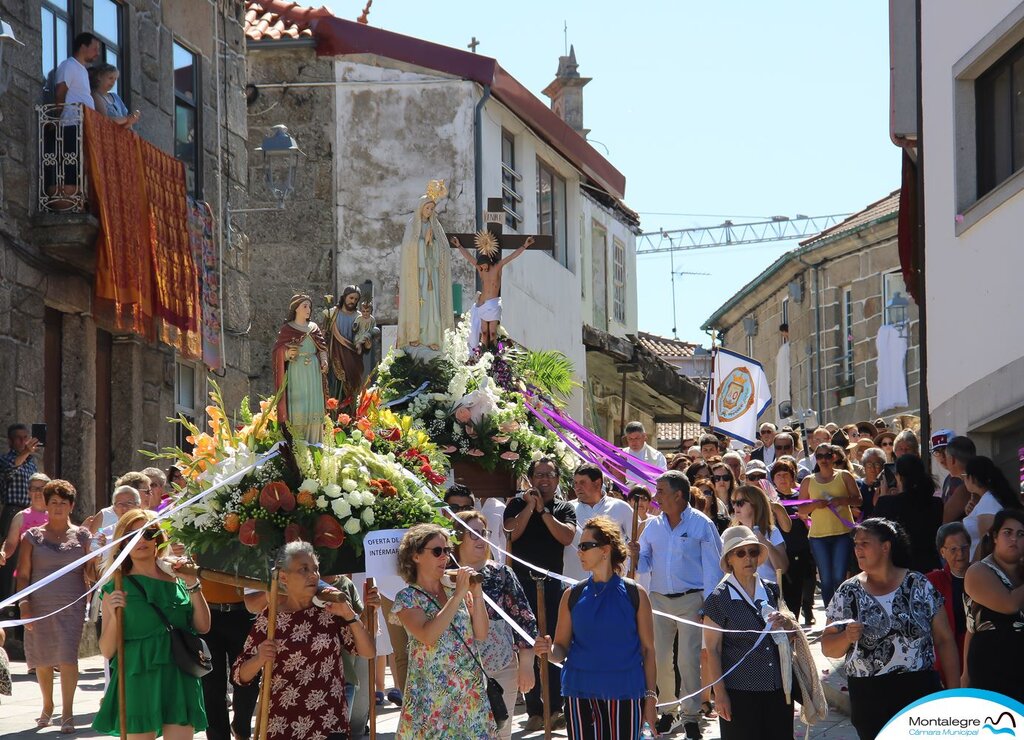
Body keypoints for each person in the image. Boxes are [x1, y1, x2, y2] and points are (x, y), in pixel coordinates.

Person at [821, 518, 959, 740]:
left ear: (885, 547)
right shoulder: (847, 592)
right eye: (855, 544)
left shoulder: (919, 584)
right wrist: (846, 636)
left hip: (918, 688)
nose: (857, 549)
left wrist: (954, 692)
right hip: (869, 695)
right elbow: (828, 648)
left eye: (864, 543)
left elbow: (944, 639)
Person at [233, 541, 375, 740]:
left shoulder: (330, 612)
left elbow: (368, 652)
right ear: (283, 577)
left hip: (329, 722)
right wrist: (259, 658)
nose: (313, 575)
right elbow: (240, 675)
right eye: (304, 569)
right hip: (283, 723)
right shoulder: (270, 618)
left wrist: (350, 615)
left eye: (316, 569)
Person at [534, 516, 658, 738]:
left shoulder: (635, 594)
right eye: (579, 546)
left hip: (625, 692)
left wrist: (650, 698)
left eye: (585, 546)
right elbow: (561, 648)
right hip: (579, 691)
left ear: (605, 550)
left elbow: (648, 651)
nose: (579, 551)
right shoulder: (572, 595)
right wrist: (548, 651)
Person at [94, 509, 209, 737]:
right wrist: (116, 616)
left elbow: (203, 626)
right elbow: (107, 650)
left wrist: (193, 584)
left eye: (148, 533)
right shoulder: (115, 587)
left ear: (159, 538)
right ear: (122, 543)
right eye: (132, 536)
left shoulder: (178, 581)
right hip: (137, 677)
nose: (142, 541)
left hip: (179, 675)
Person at [635, 470, 722, 738]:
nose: (655, 496)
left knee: (688, 659)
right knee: (660, 658)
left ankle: (691, 715)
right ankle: (669, 711)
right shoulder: (652, 526)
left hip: (692, 600)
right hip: (659, 600)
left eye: (661, 491)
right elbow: (643, 565)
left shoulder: (701, 524)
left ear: (678, 495)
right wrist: (635, 554)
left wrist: (709, 606)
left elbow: (714, 568)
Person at [390, 523, 498, 738]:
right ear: (415, 556)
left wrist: (476, 595)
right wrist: (458, 595)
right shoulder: (407, 597)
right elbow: (428, 636)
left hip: (469, 693)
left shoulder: (455, 590)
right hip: (431, 697)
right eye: (437, 551)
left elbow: (481, 633)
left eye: (447, 551)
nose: (445, 557)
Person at [703, 526, 800, 739]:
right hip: (739, 693)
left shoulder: (772, 589)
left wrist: (786, 623)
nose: (748, 558)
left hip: (778, 689)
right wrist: (719, 695)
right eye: (740, 553)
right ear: (729, 559)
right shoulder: (717, 599)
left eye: (753, 552)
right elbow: (712, 650)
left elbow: (792, 636)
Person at [16, 479, 95, 734]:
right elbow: (23, 575)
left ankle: (68, 712)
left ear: (71, 506)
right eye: (53, 503)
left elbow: (92, 573)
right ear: (46, 505)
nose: (58, 507)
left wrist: (97, 550)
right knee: (43, 658)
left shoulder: (83, 536)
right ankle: (47, 706)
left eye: (63, 503)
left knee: (67, 657)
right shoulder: (32, 537)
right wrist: (24, 606)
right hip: (39, 604)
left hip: (71, 604)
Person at [503, 457, 576, 730]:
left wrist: (544, 512)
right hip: (521, 586)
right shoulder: (517, 504)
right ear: (531, 478)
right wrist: (530, 508)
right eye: (538, 474)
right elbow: (511, 532)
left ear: (557, 479)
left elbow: (566, 537)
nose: (544, 479)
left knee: (554, 645)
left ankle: (556, 707)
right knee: (527, 646)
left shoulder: (564, 508)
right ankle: (534, 709)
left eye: (549, 474)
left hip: (553, 585)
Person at [453, 511, 537, 739]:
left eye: (484, 533)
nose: (482, 539)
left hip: (500, 668)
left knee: (499, 732)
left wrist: (527, 665)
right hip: (454, 671)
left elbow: (524, 620)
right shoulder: (443, 577)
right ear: (457, 537)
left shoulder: (501, 574)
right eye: (474, 534)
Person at [962, 509, 1024, 700]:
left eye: (1021, 534)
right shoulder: (978, 571)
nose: (1014, 538)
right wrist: (965, 675)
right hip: (992, 668)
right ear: (995, 536)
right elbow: (1009, 604)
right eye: (1008, 532)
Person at [798, 443, 862, 607]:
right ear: (816, 459)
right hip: (818, 536)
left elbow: (859, 500)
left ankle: (842, 611)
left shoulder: (844, 476)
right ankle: (830, 616)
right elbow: (801, 508)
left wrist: (843, 500)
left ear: (834, 457)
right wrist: (815, 505)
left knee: (839, 577)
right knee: (826, 579)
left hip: (843, 533)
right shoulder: (808, 481)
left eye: (827, 456)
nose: (824, 460)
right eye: (819, 456)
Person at [397, 180, 454, 352]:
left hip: (432, 273)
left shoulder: (436, 227)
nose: (429, 212)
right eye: (427, 208)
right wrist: (423, 243)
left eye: (432, 209)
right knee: (419, 305)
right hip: (418, 274)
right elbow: (408, 248)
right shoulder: (412, 226)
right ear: (421, 208)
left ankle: (433, 337)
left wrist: (432, 244)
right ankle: (416, 335)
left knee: (432, 305)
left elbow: (444, 249)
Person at [451, 233, 534, 349]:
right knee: (484, 333)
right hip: (483, 304)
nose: (483, 268)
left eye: (485, 266)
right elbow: (469, 257)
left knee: (493, 333)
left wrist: (524, 246)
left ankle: (495, 354)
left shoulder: (497, 267)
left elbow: (511, 257)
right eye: (481, 266)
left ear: (489, 262)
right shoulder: (481, 269)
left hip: (494, 304)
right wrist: (459, 246)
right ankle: (483, 353)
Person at [272, 294, 329, 443]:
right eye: (305, 306)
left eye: (309, 306)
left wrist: (324, 361)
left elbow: (322, 348)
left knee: (314, 406)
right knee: (299, 405)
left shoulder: (314, 328)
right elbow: (277, 352)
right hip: (296, 371)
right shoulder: (288, 329)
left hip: (314, 371)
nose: (308, 309)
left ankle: (316, 442)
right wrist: (286, 353)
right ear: (295, 309)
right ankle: (298, 443)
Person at [563, 464, 634, 582]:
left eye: (582, 483)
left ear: (597, 483)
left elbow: (639, 541)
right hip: (574, 584)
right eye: (575, 483)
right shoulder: (567, 508)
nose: (577, 487)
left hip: (613, 585)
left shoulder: (621, 507)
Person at [50, 33, 101, 198]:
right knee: (72, 163)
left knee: (82, 164)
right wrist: (57, 118)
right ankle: (69, 199)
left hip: (83, 124)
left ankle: (79, 198)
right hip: (71, 123)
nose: (97, 53)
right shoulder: (69, 65)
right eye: (94, 49)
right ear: (83, 47)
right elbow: (60, 91)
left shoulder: (83, 71)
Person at [873, 454, 942, 573]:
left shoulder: (888, 503)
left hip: (898, 568)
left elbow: (875, 532)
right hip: (929, 565)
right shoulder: (936, 503)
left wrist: (883, 497)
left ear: (899, 477)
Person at [925, 522, 971, 682]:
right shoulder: (931, 581)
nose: (960, 554)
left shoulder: (983, 576)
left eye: (964, 548)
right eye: (953, 550)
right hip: (945, 654)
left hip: (976, 652)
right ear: (942, 552)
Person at [772, 460, 817, 626]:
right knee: (787, 589)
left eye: (786, 475)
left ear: (792, 478)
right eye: (779, 475)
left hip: (802, 547)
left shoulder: (800, 497)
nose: (783, 479)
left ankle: (804, 611)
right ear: (773, 479)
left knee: (804, 583)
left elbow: (812, 518)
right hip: (782, 550)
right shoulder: (771, 499)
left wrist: (807, 519)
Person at [0, 423, 40, 599]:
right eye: (19, 438)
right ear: (10, 441)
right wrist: (26, 453)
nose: (23, 442)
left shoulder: (32, 463)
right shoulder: (5, 459)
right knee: (10, 559)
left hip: (31, 512)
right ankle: (5, 600)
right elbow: (10, 470)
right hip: (12, 511)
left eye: (26, 438)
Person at [962, 455, 1022, 561]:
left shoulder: (988, 503)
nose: (964, 479)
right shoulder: (987, 500)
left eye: (965, 475)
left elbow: (986, 545)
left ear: (972, 478)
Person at [729, 485, 788, 583]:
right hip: (740, 593)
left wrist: (764, 541)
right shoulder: (731, 533)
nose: (735, 506)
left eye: (740, 503)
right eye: (733, 503)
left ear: (755, 504)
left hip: (767, 592)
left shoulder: (772, 531)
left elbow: (782, 568)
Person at [323, 285, 365, 406]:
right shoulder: (333, 313)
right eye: (351, 297)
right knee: (335, 385)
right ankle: (335, 415)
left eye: (356, 299)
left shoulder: (359, 317)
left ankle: (349, 416)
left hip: (352, 357)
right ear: (344, 297)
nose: (353, 301)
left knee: (352, 386)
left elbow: (363, 338)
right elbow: (324, 333)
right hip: (335, 355)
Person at [1, 473, 49, 566]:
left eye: (42, 489)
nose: (38, 492)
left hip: (51, 569)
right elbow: (10, 543)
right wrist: (3, 553)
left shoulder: (56, 514)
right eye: (34, 489)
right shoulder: (20, 516)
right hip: (26, 570)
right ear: (29, 492)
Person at [89, 63, 139, 127]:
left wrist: (130, 121)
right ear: (99, 77)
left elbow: (127, 123)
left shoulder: (115, 97)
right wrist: (127, 119)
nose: (113, 82)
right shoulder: (95, 95)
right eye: (110, 78)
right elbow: (105, 120)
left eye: (115, 79)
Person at [941, 435, 976, 523]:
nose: (944, 460)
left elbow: (943, 519)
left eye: (946, 456)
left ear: (952, 459)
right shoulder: (977, 479)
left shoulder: (966, 485)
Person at [857, 446, 886, 521]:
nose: (872, 468)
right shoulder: (857, 485)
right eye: (869, 465)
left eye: (877, 464)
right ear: (864, 467)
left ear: (883, 466)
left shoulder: (887, 486)